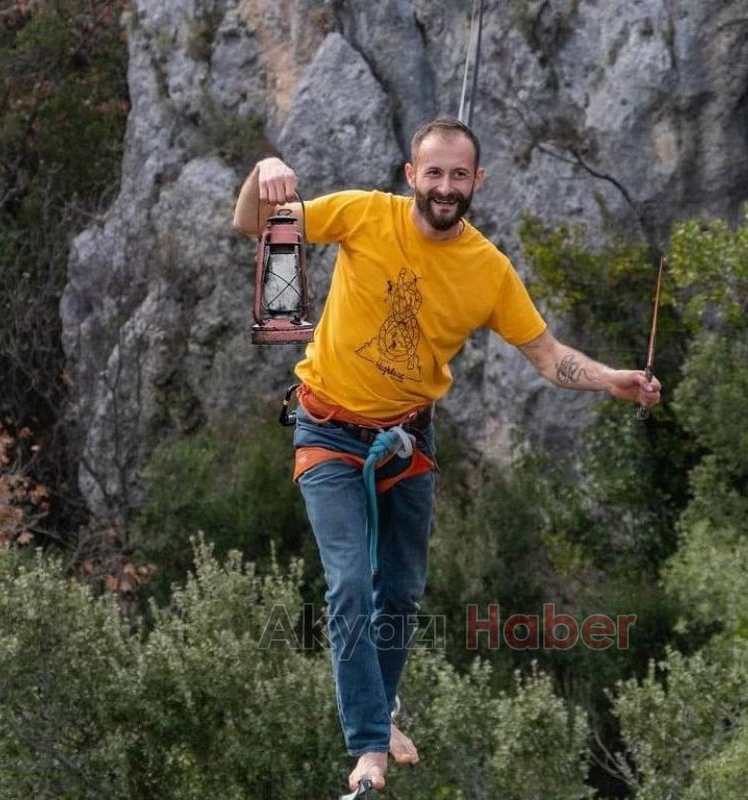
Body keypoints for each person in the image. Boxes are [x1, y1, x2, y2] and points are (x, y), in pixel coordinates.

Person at [233, 117, 661, 792]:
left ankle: (382, 708)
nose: (445, 187)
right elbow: (255, 226)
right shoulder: (364, 215)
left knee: (400, 591)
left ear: (476, 182)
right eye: (434, 173)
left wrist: (613, 380)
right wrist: (262, 173)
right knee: (347, 585)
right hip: (328, 429)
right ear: (411, 176)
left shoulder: (488, 270)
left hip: (406, 438)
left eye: (459, 175)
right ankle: (368, 745)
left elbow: (548, 356)